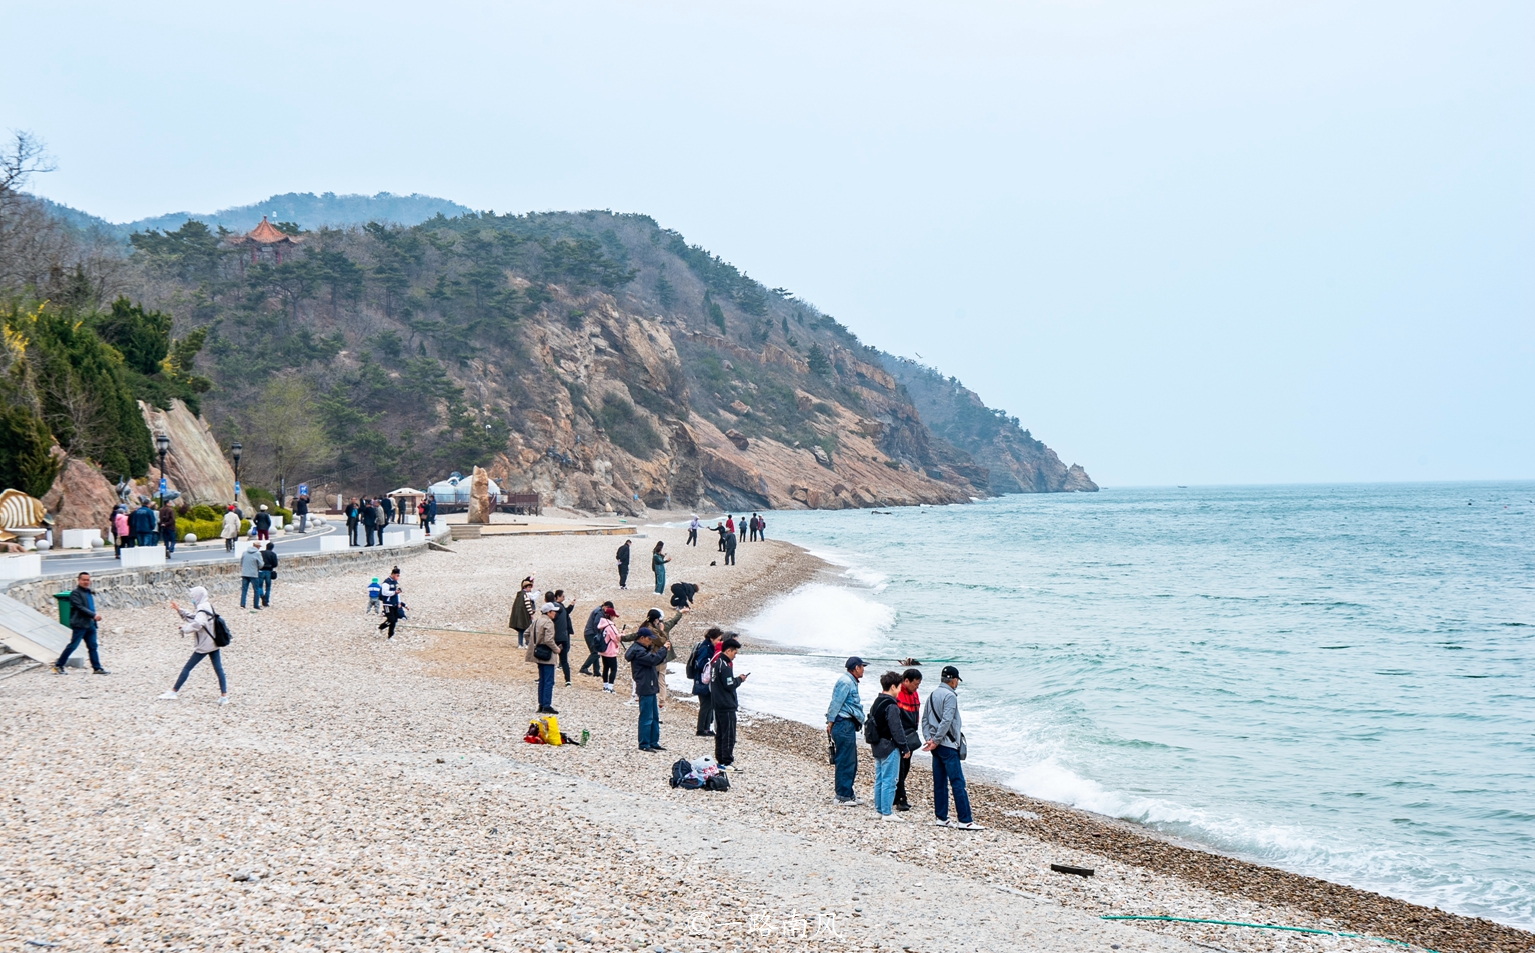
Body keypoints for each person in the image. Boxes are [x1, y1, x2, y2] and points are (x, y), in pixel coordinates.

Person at [922, 665, 981, 829]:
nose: (957, 684)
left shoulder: (932, 694)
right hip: (947, 745)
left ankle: (941, 817)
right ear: (953, 680)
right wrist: (938, 740)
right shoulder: (950, 696)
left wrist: (929, 739)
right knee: (957, 782)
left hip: (936, 745)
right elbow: (946, 721)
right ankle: (965, 820)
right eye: (957, 681)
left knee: (939, 782)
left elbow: (925, 719)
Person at [159, 586, 229, 704]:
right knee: (219, 669)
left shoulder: (201, 608)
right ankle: (224, 696)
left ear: (198, 596)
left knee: (187, 667)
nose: (192, 598)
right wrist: (179, 610)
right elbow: (196, 618)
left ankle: (174, 692)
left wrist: (184, 629)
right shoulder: (207, 605)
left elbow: (198, 623)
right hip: (213, 642)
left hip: (205, 645)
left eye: (193, 596)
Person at [871, 671, 919, 820]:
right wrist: (905, 747)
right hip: (890, 746)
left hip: (877, 744)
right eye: (898, 687)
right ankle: (887, 812)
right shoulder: (891, 705)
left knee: (880, 778)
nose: (899, 691)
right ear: (893, 687)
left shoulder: (877, 701)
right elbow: (896, 729)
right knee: (890, 780)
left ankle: (879, 809)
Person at [622, 607, 682, 710]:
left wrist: (623, 638)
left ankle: (642, 698)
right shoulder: (653, 629)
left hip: (654, 656)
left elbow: (635, 635)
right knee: (659, 679)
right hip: (655, 657)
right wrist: (662, 631)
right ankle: (660, 703)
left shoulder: (646, 627)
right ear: (656, 619)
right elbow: (662, 641)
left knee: (654, 679)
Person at [826, 656, 867, 806]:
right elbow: (835, 703)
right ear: (856, 668)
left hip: (847, 725)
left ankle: (848, 793)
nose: (863, 669)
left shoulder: (851, 682)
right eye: (862, 666)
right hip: (843, 724)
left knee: (851, 760)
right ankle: (842, 796)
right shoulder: (846, 682)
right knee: (845, 760)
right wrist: (830, 723)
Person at [625, 626, 670, 751]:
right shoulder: (638, 651)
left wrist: (657, 650)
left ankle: (653, 741)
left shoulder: (642, 649)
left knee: (654, 716)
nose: (650, 642)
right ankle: (644, 743)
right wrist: (663, 649)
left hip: (650, 685)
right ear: (642, 638)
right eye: (649, 639)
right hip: (645, 686)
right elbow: (652, 660)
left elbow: (653, 659)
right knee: (646, 716)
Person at [53, 572, 108, 676]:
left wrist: (93, 618)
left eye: (88, 580)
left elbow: (90, 607)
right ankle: (59, 665)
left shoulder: (88, 592)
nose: (86, 582)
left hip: (90, 624)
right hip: (80, 624)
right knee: (73, 645)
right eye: (84, 580)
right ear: (79, 580)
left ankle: (97, 668)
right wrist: (93, 615)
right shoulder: (75, 593)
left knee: (93, 646)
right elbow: (80, 607)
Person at [710, 636, 748, 768]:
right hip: (726, 705)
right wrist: (739, 679)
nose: (735, 656)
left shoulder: (717, 664)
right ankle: (726, 761)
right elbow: (729, 684)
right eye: (734, 653)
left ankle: (721, 759)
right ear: (728, 651)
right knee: (728, 734)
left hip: (718, 704)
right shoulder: (724, 666)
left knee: (720, 733)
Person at [894, 668, 923, 812]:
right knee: (900, 768)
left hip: (910, 734)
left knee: (906, 767)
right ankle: (901, 799)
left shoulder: (914, 693)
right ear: (906, 681)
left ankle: (895, 795)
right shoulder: (897, 693)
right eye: (915, 684)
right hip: (899, 735)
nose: (917, 687)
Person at [690, 627, 725, 736]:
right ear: (712, 638)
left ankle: (706, 728)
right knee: (705, 705)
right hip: (702, 681)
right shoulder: (705, 648)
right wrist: (710, 663)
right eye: (718, 639)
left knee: (709, 704)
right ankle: (701, 729)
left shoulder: (708, 646)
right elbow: (700, 664)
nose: (719, 642)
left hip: (704, 680)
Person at [527, 601, 560, 714]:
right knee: (548, 681)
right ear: (549, 612)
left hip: (538, 654)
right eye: (553, 611)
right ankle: (546, 705)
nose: (555, 613)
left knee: (542, 680)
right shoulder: (548, 623)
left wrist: (534, 644)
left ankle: (541, 705)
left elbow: (527, 633)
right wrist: (557, 649)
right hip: (547, 655)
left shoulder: (536, 621)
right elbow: (549, 640)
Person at [579, 600, 613, 677]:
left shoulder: (599, 611)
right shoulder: (599, 612)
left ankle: (596, 672)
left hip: (590, 633)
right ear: (606, 607)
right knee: (595, 652)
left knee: (596, 652)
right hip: (591, 634)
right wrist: (599, 635)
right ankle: (584, 668)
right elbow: (596, 624)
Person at [551, 589, 575, 687]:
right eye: (563, 596)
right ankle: (568, 680)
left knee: (551, 659)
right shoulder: (558, 607)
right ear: (558, 597)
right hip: (563, 637)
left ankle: (546, 678)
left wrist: (571, 605)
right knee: (564, 660)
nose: (564, 598)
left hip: (556, 637)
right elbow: (565, 613)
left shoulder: (556, 607)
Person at [597, 605, 622, 692]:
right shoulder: (610, 625)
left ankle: (605, 685)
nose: (614, 617)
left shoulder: (602, 624)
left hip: (603, 649)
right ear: (610, 616)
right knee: (614, 668)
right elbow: (616, 638)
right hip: (610, 650)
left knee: (605, 668)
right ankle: (610, 687)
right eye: (614, 616)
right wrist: (622, 634)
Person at [377, 567, 406, 639]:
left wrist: (399, 602)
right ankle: (380, 628)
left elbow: (398, 593)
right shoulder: (386, 582)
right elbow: (384, 592)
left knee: (395, 620)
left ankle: (390, 636)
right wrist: (394, 592)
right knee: (391, 619)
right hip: (388, 603)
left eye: (399, 575)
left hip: (395, 603)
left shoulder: (396, 583)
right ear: (392, 574)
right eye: (397, 575)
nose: (398, 577)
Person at [508, 576, 536, 647]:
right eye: (529, 587)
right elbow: (528, 605)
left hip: (519, 615)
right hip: (525, 615)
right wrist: (531, 614)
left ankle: (520, 644)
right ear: (526, 587)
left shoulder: (519, 594)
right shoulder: (526, 595)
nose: (530, 589)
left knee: (521, 630)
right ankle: (527, 643)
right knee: (527, 629)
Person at [239, 542, 263, 611]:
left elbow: (241, 562)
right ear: (257, 546)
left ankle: (243, 604)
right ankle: (256, 605)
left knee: (244, 589)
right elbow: (261, 564)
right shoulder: (258, 553)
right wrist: (257, 567)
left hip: (245, 573)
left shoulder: (244, 552)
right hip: (253, 574)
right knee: (256, 589)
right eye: (259, 546)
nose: (259, 548)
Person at [258, 542, 278, 608]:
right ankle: (266, 601)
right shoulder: (273, 554)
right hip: (269, 571)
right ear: (272, 548)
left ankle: (262, 595)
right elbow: (275, 564)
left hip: (261, 570)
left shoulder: (261, 553)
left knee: (259, 586)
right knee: (268, 587)